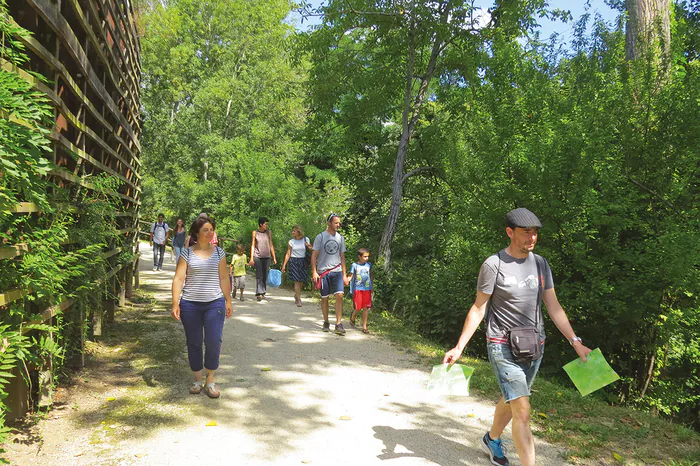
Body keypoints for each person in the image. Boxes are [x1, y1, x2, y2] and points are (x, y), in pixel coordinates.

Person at [443, 208, 592, 466]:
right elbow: (479, 308)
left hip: (534, 345)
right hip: (502, 345)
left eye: (534, 233)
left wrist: (575, 341)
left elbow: (553, 306)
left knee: (512, 398)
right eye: (526, 233)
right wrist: (459, 347)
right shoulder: (494, 265)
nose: (531, 238)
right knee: (522, 411)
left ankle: (492, 438)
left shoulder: (541, 264)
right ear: (510, 232)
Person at [171, 216, 233, 399]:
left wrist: (228, 300)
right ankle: (198, 379)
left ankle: (210, 380)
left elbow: (223, 278)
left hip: (215, 303)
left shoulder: (219, 253)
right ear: (197, 233)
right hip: (190, 304)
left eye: (211, 229)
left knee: (214, 340)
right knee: (194, 341)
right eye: (205, 230)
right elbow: (179, 279)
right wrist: (175, 302)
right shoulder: (186, 254)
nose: (209, 233)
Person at [311, 213, 349, 335]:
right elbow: (314, 255)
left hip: (337, 271)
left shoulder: (340, 238)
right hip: (323, 272)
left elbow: (342, 257)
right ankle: (326, 321)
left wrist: (344, 274)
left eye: (339, 223)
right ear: (329, 223)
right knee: (325, 298)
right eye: (336, 222)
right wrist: (314, 271)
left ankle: (338, 324)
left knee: (339, 295)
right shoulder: (320, 237)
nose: (338, 225)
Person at [282, 225, 312, 307]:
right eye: (292, 231)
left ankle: (296, 295)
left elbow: (312, 249)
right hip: (294, 261)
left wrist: (308, 246)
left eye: (294, 231)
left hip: (303, 261)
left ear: (299, 231)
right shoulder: (291, 242)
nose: (293, 232)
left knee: (301, 280)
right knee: (296, 281)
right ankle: (299, 299)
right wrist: (284, 265)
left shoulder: (306, 239)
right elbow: (288, 253)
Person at [248, 217, 277, 301]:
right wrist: (251, 258)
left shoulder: (269, 233)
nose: (267, 225)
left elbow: (271, 244)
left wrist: (274, 257)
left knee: (265, 275)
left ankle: (263, 292)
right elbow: (253, 245)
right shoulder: (255, 233)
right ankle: (259, 293)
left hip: (267, 256)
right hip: (257, 256)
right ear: (261, 224)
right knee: (259, 275)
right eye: (266, 224)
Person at [348, 248, 373, 334]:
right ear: (359, 256)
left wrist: (371, 287)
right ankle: (352, 317)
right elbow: (351, 275)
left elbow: (370, 276)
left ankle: (364, 326)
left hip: (367, 289)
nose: (366, 258)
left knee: (366, 308)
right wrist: (346, 281)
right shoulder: (355, 265)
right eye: (364, 256)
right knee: (358, 307)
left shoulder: (369, 265)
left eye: (367, 256)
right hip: (357, 289)